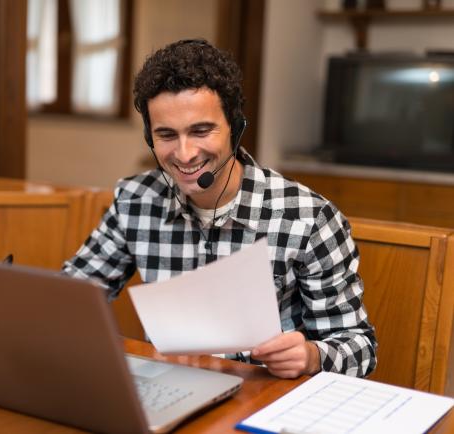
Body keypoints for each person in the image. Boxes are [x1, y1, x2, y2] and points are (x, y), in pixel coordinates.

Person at [62, 39, 377, 379]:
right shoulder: (134, 202)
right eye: (167, 135)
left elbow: (360, 346)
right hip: (170, 388)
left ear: (235, 127)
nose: (184, 154)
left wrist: (311, 356)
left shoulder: (309, 218)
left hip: (261, 397)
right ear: (150, 138)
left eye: (201, 130)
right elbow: (71, 297)